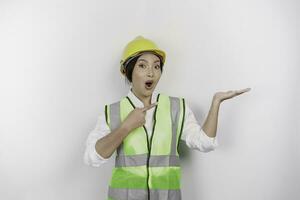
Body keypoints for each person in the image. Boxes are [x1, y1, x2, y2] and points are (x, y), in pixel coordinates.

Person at [83, 35, 251, 200]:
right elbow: (91, 157)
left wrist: (216, 103)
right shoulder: (112, 112)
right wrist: (126, 127)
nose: (151, 73)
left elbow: (205, 142)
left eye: (156, 67)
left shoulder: (176, 108)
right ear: (128, 71)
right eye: (142, 66)